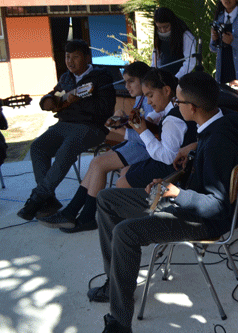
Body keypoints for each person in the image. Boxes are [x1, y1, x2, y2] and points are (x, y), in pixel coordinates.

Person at [89, 71, 238, 333]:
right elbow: (216, 146)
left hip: (203, 219)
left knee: (125, 233)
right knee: (106, 199)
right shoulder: (224, 120)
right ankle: (115, 283)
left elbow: (216, 205)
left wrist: (176, 193)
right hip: (188, 200)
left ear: (193, 108)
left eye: (178, 103)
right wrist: (192, 149)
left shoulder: (217, 143)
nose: (175, 107)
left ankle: (120, 324)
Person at [37, 61, 154, 233]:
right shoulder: (140, 98)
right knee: (95, 163)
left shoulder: (150, 101)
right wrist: (121, 118)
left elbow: (149, 136)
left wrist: (121, 130)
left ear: (144, 80)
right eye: (125, 82)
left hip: (144, 149)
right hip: (136, 145)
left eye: (131, 81)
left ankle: (86, 217)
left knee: (99, 164)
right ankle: (72, 213)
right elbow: (138, 125)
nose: (126, 86)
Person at [17, 40, 116, 221]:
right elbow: (55, 96)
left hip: (91, 127)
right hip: (64, 125)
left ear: (87, 58)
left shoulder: (101, 78)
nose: (70, 61)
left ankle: (39, 197)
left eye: (75, 57)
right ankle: (49, 200)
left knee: (67, 147)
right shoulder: (66, 79)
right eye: (67, 57)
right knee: (38, 147)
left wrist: (80, 101)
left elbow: (105, 109)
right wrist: (47, 101)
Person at [113, 68, 197, 190]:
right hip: (167, 163)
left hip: (172, 168)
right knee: (125, 171)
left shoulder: (172, 120)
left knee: (121, 183)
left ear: (166, 90)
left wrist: (143, 132)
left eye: (151, 95)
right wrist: (149, 118)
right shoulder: (174, 106)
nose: (148, 102)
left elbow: (168, 157)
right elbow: (160, 114)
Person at [151, 7, 197, 79]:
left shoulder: (186, 36)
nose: (163, 31)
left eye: (166, 27)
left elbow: (190, 62)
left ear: (172, 23)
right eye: (159, 28)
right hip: (163, 79)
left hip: (181, 79)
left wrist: (175, 78)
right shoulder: (157, 36)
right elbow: (156, 61)